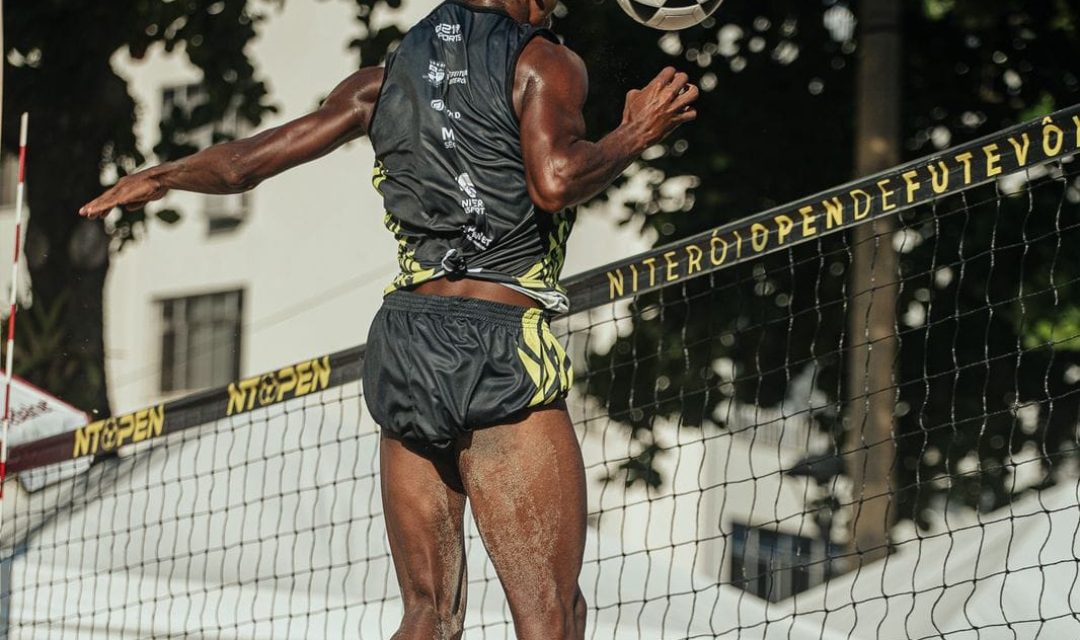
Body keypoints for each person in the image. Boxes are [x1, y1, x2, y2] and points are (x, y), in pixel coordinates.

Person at [80, 0, 698, 637]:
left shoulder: (382, 78)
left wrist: (161, 176)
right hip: (497, 345)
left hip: (406, 345)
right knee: (552, 617)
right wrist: (634, 132)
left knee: (428, 616)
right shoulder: (543, 62)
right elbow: (556, 180)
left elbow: (244, 165)